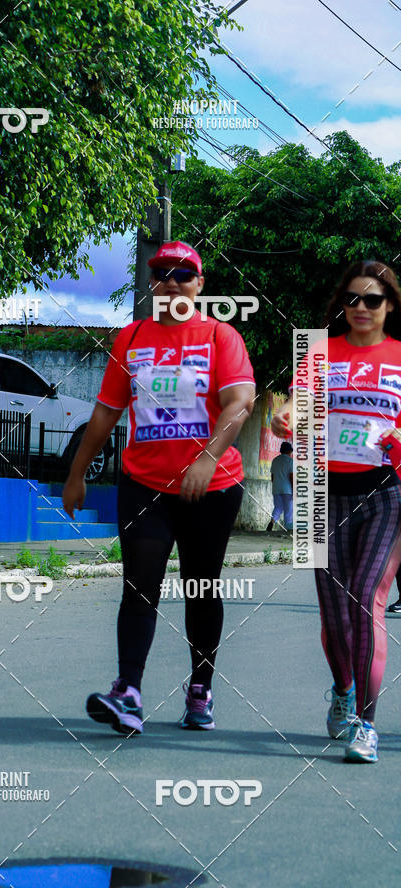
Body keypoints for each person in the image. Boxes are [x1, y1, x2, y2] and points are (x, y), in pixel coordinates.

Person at [62, 240, 255, 735]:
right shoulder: (130, 339)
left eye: (183, 274)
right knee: (139, 587)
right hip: (144, 484)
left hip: (211, 488)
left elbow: (240, 404)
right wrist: (77, 472)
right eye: (162, 273)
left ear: (199, 283)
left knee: (200, 587)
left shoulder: (220, 336)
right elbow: (106, 412)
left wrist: (206, 461)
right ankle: (128, 692)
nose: (172, 282)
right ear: (152, 284)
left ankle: (200, 688)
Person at [272, 260, 401, 763]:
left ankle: (366, 724)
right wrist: (286, 418)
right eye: (352, 299)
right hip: (319, 492)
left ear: (390, 304)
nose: (361, 308)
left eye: (372, 299)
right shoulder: (320, 354)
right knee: (333, 615)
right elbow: (298, 406)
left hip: (385, 492)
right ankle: (342, 690)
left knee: (367, 598)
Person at [266, 441, 293, 536]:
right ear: (290, 451)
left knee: (278, 507)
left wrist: (275, 485)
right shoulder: (290, 461)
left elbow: (272, 476)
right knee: (289, 509)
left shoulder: (275, 460)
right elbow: (291, 476)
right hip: (287, 489)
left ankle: (272, 522)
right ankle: (289, 529)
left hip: (276, 488)